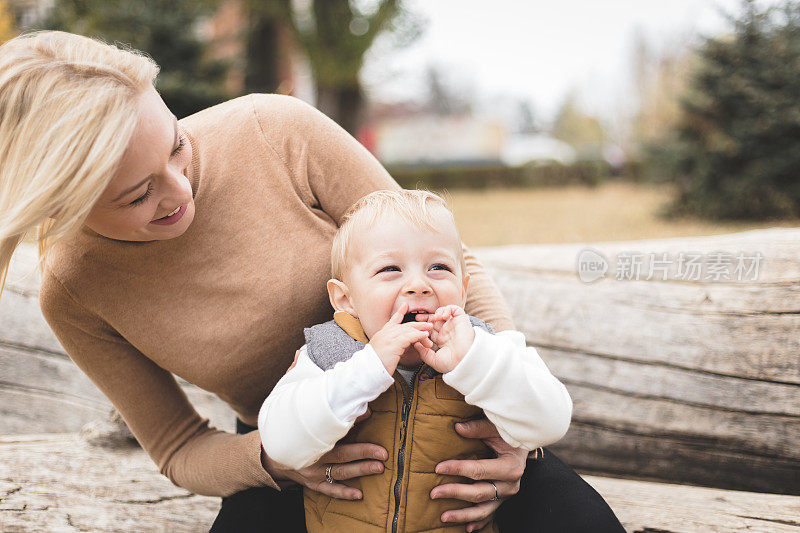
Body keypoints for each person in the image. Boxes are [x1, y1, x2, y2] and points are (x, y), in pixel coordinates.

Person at [0, 30, 625, 532]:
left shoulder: (277, 132)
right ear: (64, 208)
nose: (181, 190)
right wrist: (278, 461)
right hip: (299, 445)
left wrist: (513, 424)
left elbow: (449, 258)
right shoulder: (77, 293)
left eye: (177, 146)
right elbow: (179, 447)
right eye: (140, 196)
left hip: (451, 406)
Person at [258, 189, 574, 532]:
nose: (418, 285)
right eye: (390, 269)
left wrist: (475, 363)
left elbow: (552, 421)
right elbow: (281, 443)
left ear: (464, 291)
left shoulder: (486, 349)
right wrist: (368, 369)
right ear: (346, 299)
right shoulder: (326, 354)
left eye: (438, 267)